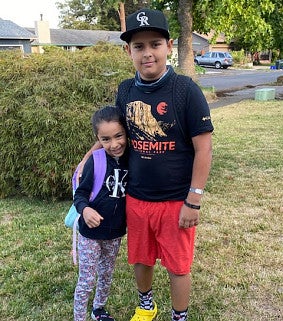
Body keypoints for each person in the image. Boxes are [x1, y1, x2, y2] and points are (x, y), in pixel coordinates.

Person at [80, 8, 214, 321]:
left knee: (178, 266)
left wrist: (193, 200)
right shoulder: (126, 90)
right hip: (136, 197)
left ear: (169, 45)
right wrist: (89, 157)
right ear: (128, 51)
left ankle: (179, 316)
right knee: (141, 258)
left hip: (176, 201)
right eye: (139, 47)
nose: (148, 53)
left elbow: (204, 149)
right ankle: (146, 306)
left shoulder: (186, 91)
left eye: (155, 44)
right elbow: (114, 133)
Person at [73, 106, 128, 321]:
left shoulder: (132, 159)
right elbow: (81, 193)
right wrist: (85, 210)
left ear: (126, 132)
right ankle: (79, 317)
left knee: (106, 275)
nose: (114, 145)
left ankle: (99, 310)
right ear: (98, 138)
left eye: (118, 136)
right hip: (90, 234)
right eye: (105, 139)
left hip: (115, 233)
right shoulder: (95, 161)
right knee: (86, 280)